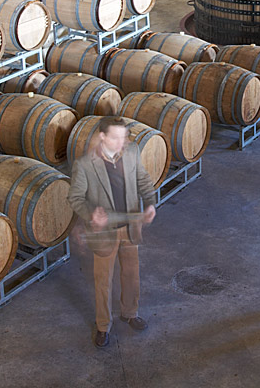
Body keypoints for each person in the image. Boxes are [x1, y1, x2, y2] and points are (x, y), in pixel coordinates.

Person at [69, 116, 157, 348]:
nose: (122, 142)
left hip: (129, 228)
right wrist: (90, 214)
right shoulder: (85, 165)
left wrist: (149, 202)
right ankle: (103, 326)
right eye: (116, 137)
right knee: (103, 281)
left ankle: (130, 312)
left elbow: (143, 179)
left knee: (131, 274)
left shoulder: (132, 152)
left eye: (124, 137)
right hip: (104, 232)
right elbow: (75, 198)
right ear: (102, 137)